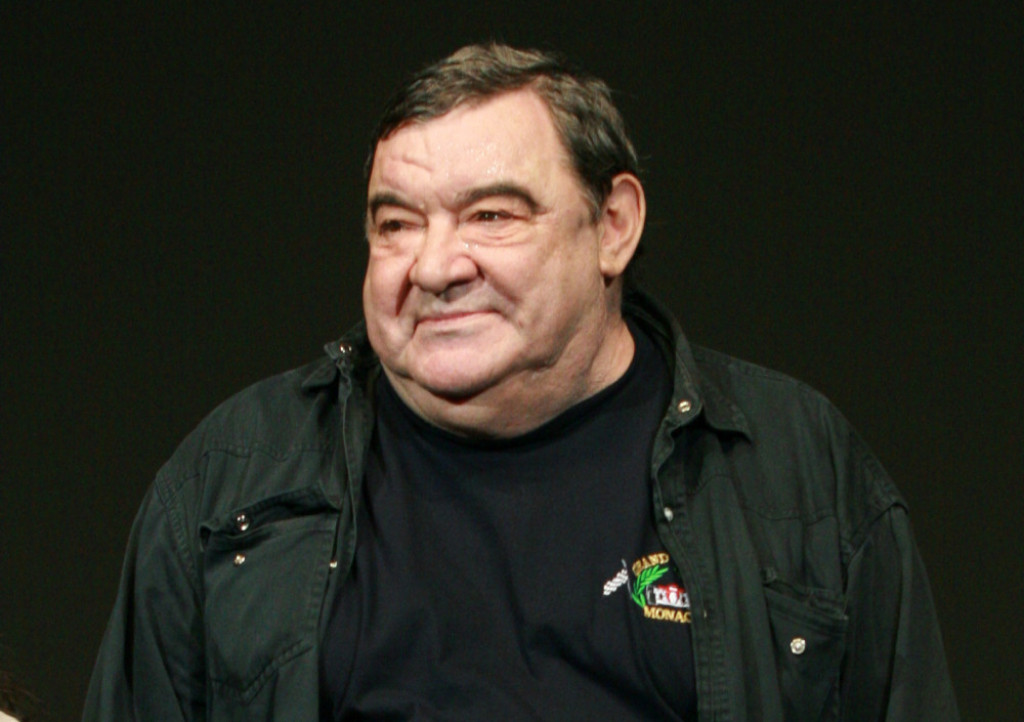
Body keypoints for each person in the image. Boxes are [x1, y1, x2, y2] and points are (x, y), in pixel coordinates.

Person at [83, 43, 959, 720]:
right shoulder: (232, 479)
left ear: (613, 226)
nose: (434, 266)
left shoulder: (796, 469)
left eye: (491, 215)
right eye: (396, 224)